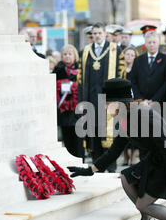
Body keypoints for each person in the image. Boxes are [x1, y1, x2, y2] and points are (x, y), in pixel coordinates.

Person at [67, 78, 166, 220]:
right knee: (126, 177)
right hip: (158, 159)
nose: (105, 108)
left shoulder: (142, 115)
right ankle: (147, 218)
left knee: (143, 203)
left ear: (119, 103)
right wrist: (90, 170)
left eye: (107, 103)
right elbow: (115, 151)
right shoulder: (126, 117)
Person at [77, 22, 125, 172]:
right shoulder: (85, 51)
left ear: (105, 34)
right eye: (95, 33)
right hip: (91, 99)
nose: (97, 36)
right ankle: (97, 169)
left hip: (108, 101)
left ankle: (111, 168)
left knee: (109, 134)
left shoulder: (115, 50)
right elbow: (80, 77)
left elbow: (121, 74)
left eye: (99, 33)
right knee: (94, 133)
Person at [53, 44, 84, 160]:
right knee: (67, 138)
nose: (67, 56)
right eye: (64, 54)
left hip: (77, 110)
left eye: (69, 54)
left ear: (74, 55)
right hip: (64, 110)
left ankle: (80, 160)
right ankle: (70, 161)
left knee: (78, 139)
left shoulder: (80, 69)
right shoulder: (58, 69)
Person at [130, 31, 166, 107]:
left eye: (154, 42)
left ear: (158, 43)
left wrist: (154, 100)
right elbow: (133, 82)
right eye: (149, 42)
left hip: (161, 103)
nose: (152, 45)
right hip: (142, 104)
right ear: (145, 44)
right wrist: (141, 100)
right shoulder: (138, 60)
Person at [122, 46, 138, 166]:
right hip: (122, 103)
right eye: (127, 54)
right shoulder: (120, 70)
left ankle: (133, 156)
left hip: (134, 102)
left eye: (132, 55)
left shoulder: (137, 70)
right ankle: (125, 156)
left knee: (134, 131)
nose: (129, 57)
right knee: (122, 130)